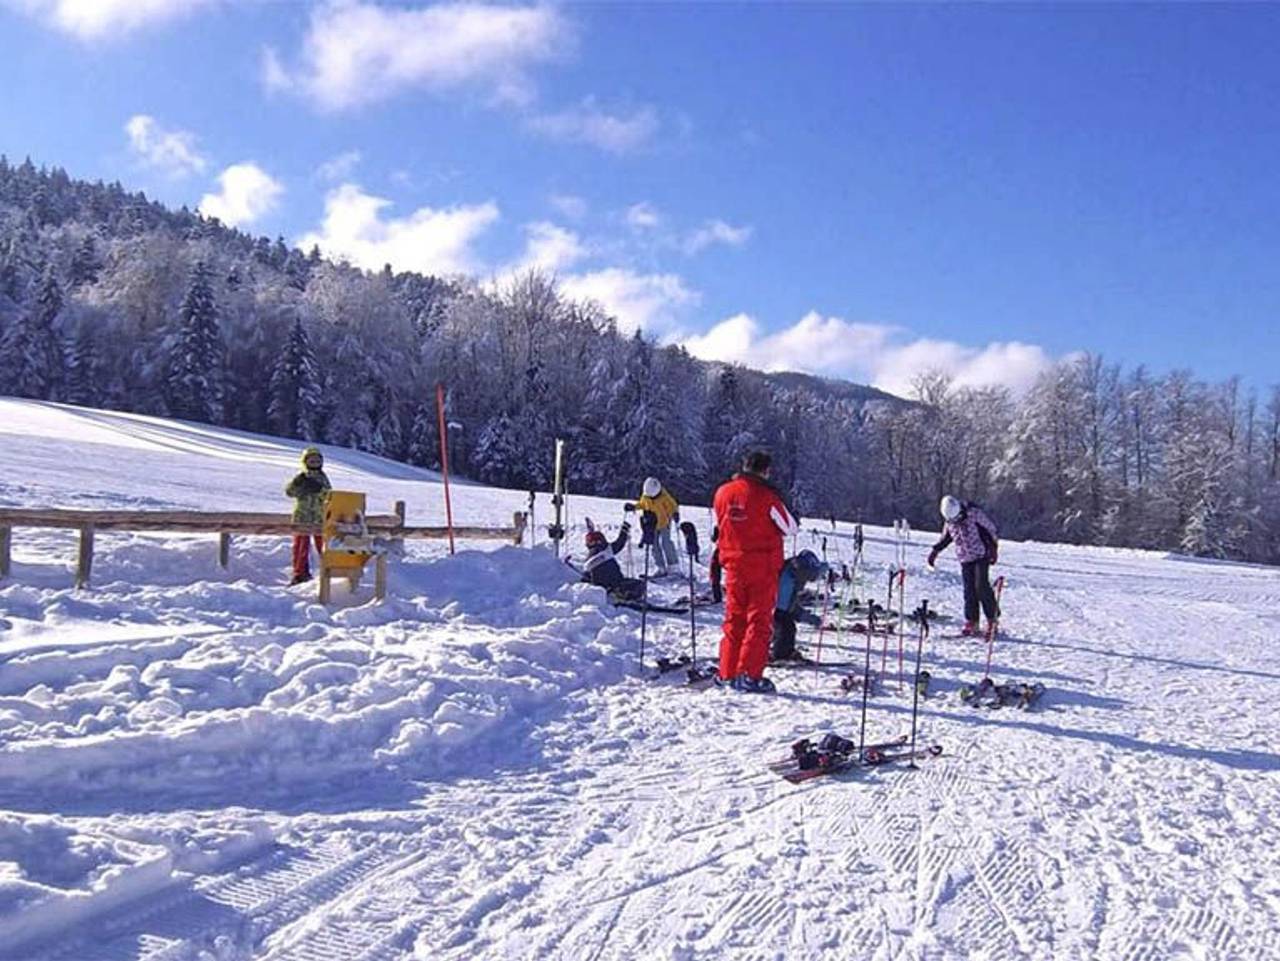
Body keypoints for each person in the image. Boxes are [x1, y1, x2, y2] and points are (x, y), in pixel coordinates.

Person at [712, 450, 798, 693]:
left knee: (734, 620)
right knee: (758, 622)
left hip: (732, 565)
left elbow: (720, 524)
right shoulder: (767, 496)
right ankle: (750, 674)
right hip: (761, 566)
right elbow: (790, 528)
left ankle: (727, 673)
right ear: (765, 470)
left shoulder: (722, 492)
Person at [927, 494, 1000, 635]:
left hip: (981, 554)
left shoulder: (974, 513)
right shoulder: (949, 522)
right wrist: (935, 551)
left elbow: (990, 530)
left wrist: (993, 549)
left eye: (959, 518)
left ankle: (992, 619)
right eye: (953, 520)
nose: (957, 521)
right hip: (965, 558)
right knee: (969, 590)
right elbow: (947, 537)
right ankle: (972, 621)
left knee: (981, 586)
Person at [771, 549, 829, 662]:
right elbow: (785, 608)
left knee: (786, 626)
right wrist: (807, 617)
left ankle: (783, 650)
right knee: (786, 627)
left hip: (777, 608)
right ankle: (781, 655)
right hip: (774, 609)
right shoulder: (787, 582)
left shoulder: (793, 572)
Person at [285, 446, 331, 585]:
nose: (315, 463)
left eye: (317, 460)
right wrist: (297, 484)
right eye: (312, 461)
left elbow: (329, 495)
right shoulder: (301, 477)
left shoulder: (323, 478)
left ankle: (327, 570)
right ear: (305, 462)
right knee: (300, 547)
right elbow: (289, 492)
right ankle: (300, 573)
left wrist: (319, 490)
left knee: (323, 546)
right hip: (302, 517)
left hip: (318, 517)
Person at [579, 522, 643, 603]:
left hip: (601, 586)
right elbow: (620, 543)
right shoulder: (607, 549)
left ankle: (617, 593)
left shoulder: (587, 559)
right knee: (640, 584)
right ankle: (626, 596)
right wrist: (624, 530)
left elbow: (586, 577)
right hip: (616, 582)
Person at [630, 477, 680, 575]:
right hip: (652, 524)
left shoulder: (664, 496)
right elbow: (642, 504)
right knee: (654, 545)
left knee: (666, 543)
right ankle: (660, 567)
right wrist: (634, 507)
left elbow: (673, 506)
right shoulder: (646, 496)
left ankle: (673, 565)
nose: (651, 498)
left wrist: (675, 514)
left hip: (664, 522)